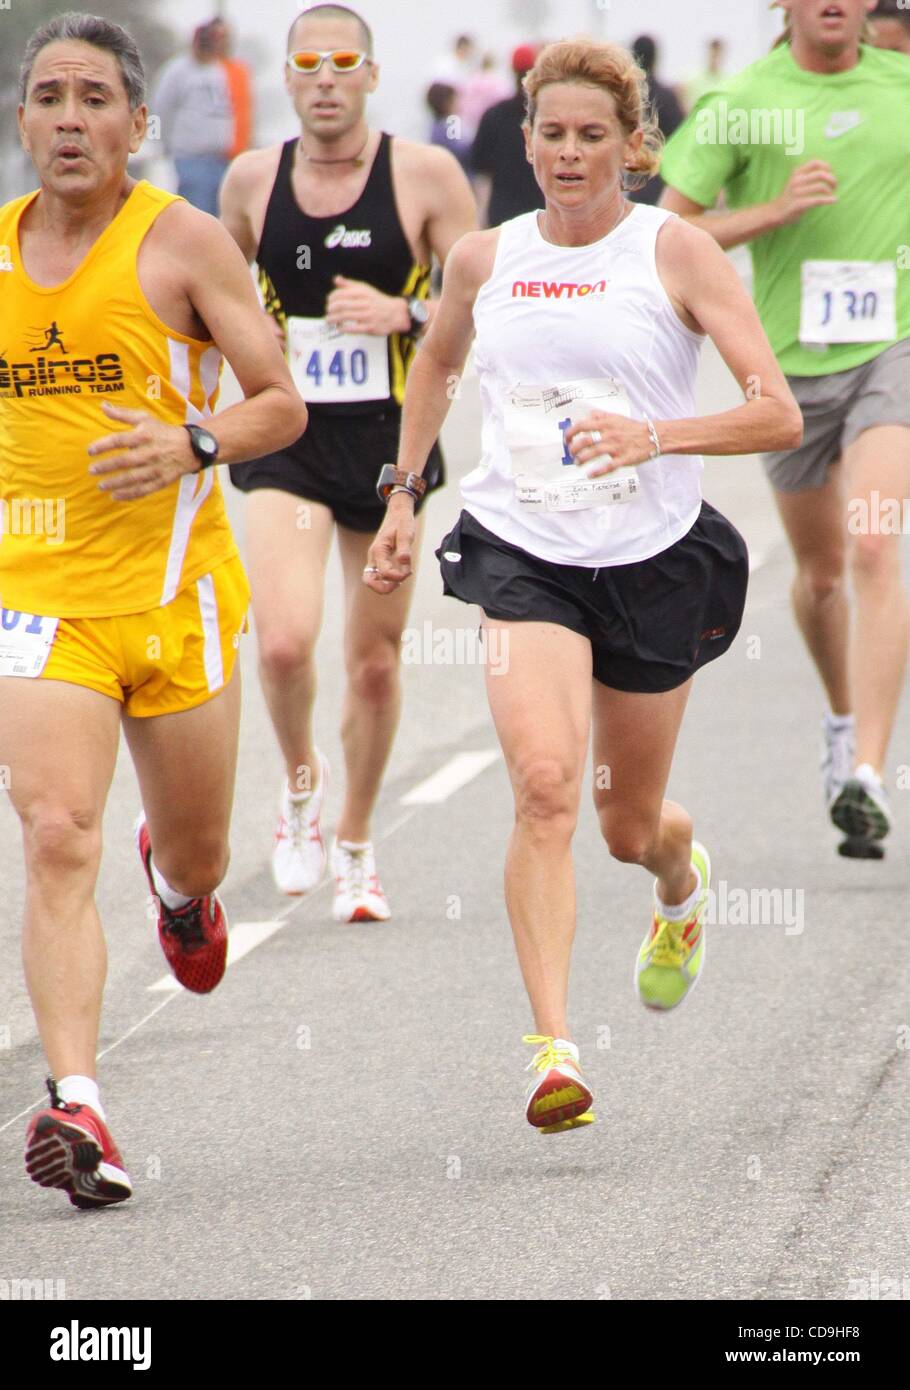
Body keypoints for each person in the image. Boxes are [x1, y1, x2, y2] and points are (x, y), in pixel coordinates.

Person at [364, 39, 801, 1131]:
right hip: (522, 553)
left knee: (624, 823)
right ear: (524, 142)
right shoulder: (483, 258)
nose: (568, 153)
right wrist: (403, 492)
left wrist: (654, 433)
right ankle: (552, 1049)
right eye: (550, 135)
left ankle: (679, 882)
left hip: (652, 563)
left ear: (632, 147)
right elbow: (435, 362)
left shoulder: (676, 252)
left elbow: (774, 413)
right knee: (547, 785)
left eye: (591, 136)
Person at [3, 12, 306, 1208]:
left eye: (92, 99)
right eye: (46, 97)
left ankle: (180, 890)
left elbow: (278, 403)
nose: (68, 119)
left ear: (136, 121)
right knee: (56, 831)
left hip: (175, 599)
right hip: (36, 604)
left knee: (195, 847)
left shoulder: (179, 245)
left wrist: (192, 441)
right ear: (21, 119)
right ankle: (79, 1103)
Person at [219, 3, 476, 921]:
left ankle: (358, 845)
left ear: (371, 76)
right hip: (288, 439)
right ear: (287, 79)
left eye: (343, 63)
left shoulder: (427, 175)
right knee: (284, 641)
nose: (325, 79)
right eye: (308, 64)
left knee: (373, 663)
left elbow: (478, 299)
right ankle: (300, 792)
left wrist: (405, 315)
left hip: (387, 446)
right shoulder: (252, 181)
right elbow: (216, 301)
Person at [660, 0, 910, 858]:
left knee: (875, 544)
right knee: (823, 574)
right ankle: (843, 721)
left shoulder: (903, 83)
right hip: (791, 369)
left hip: (894, 347)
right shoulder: (741, 101)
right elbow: (668, 230)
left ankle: (868, 774)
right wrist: (771, 213)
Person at [152, 19, 234, 214]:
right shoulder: (177, 71)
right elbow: (159, 108)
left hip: (221, 159)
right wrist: (158, 143)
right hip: (190, 158)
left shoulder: (220, 70)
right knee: (197, 215)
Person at [470, 45, 545, 229]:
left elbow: (482, 172)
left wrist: (481, 215)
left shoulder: (494, 115)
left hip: (502, 215)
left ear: (512, 71)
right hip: (543, 217)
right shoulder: (547, 116)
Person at [628, 35, 684, 206]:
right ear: (655, 58)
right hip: (659, 179)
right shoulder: (666, 96)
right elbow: (681, 137)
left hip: (626, 176)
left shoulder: (623, 96)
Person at [682, 37, 728, 111]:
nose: (715, 58)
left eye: (718, 54)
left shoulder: (728, 80)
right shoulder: (692, 79)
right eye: (713, 54)